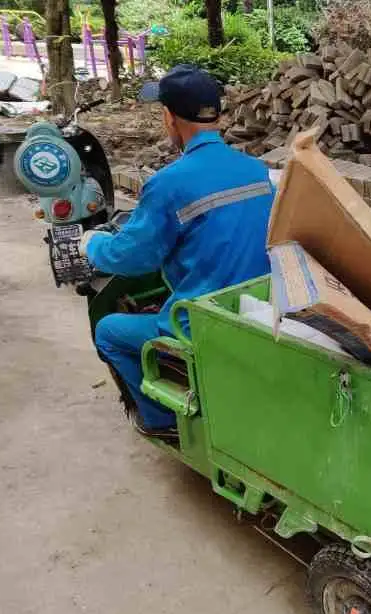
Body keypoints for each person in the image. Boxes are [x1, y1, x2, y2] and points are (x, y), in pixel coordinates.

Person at [81, 64, 275, 439]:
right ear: (217, 115)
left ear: (169, 118)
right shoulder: (255, 170)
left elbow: (134, 256)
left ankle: (160, 420)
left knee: (108, 331)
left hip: (200, 323)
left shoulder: (168, 183)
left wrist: (93, 245)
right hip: (259, 307)